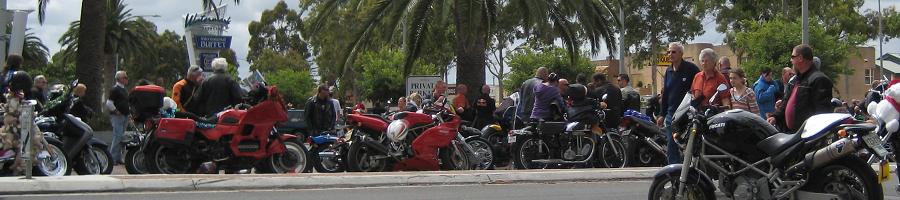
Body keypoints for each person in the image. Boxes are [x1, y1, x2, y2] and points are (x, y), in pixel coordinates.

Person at [768, 44, 834, 132]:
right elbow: (785, 104)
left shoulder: (819, 79)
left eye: (792, 57)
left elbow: (821, 113)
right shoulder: (796, 80)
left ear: (800, 58)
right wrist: (775, 117)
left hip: (807, 136)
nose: (791, 60)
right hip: (791, 133)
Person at [658, 42, 700, 164]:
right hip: (672, 114)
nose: (670, 54)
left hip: (687, 114)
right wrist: (662, 114)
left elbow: (698, 88)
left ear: (681, 54)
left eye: (674, 52)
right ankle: (674, 173)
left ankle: (691, 170)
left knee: (690, 143)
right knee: (671, 143)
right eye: (669, 52)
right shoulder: (668, 71)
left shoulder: (691, 69)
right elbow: (665, 94)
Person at [106, 71, 130, 164]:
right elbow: (109, 103)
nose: (126, 79)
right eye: (125, 77)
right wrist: (116, 111)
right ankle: (112, 158)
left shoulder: (124, 89)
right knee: (118, 136)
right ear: (119, 78)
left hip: (125, 115)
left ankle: (118, 157)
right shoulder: (115, 89)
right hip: (117, 116)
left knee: (121, 137)